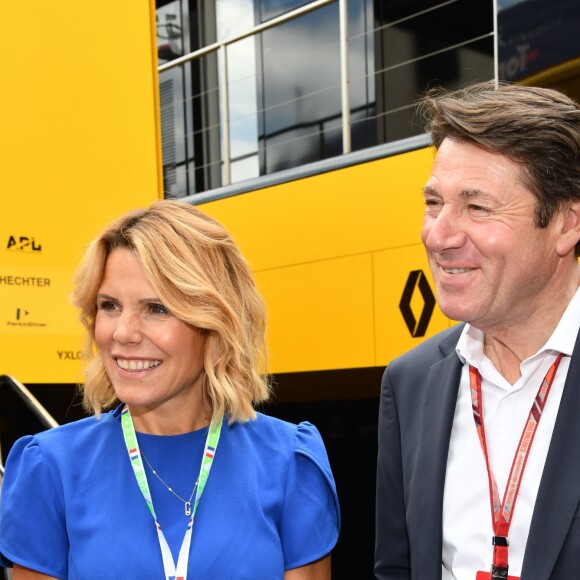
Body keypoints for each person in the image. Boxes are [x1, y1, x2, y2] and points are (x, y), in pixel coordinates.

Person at [0, 201, 340, 579]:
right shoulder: (49, 468)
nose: (123, 333)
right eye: (109, 306)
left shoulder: (290, 461)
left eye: (157, 308)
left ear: (215, 320)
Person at [374, 81, 580, 580]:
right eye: (433, 202)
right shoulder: (409, 383)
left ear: (566, 224)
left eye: (477, 207)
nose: (438, 235)